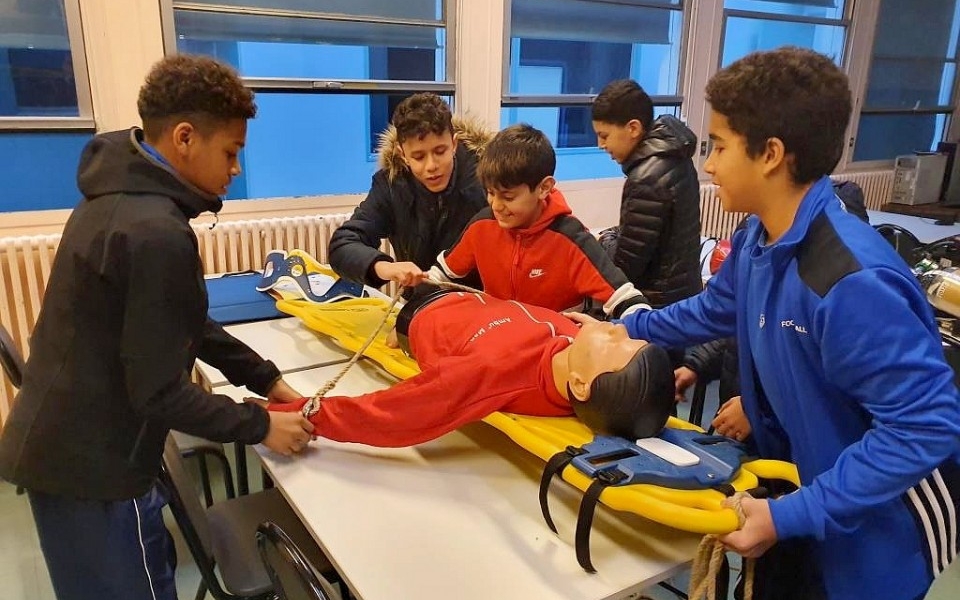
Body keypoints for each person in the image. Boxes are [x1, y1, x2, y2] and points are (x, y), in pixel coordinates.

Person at [572, 47, 960, 600]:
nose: (708, 164)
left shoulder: (850, 281)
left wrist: (794, 513)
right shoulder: (759, 238)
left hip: (871, 540)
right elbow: (713, 309)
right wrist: (629, 330)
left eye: (719, 146)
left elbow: (925, 429)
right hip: (796, 497)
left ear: (771, 154)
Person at [0, 55, 314, 600]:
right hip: (94, 471)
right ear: (185, 138)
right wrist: (260, 425)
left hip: (72, 452)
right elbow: (159, 393)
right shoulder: (154, 231)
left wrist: (266, 379)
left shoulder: (119, 197)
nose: (236, 169)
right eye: (231, 152)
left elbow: (183, 319)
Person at [268, 290, 675, 448]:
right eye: (629, 336)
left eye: (616, 345)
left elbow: (391, 413)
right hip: (461, 293)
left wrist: (289, 416)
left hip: (418, 313)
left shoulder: (493, 374)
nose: (619, 329)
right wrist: (585, 333)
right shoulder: (574, 345)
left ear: (581, 386)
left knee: (331, 301)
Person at [430, 124, 649, 319]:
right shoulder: (482, 225)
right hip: (499, 336)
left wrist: (642, 328)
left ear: (544, 188)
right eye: (490, 193)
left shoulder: (571, 238)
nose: (496, 205)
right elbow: (440, 274)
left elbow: (626, 299)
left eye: (508, 197)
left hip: (558, 343)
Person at [328, 93, 491, 291]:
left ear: (454, 144)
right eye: (418, 157)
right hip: (420, 301)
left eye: (440, 151)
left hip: (481, 300)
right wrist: (385, 268)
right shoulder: (391, 185)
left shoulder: (489, 180)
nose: (431, 166)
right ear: (402, 154)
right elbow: (343, 245)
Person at [591, 79, 702, 309]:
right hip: (684, 295)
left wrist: (604, 240)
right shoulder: (675, 156)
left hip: (658, 304)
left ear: (633, 128)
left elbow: (625, 267)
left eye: (604, 135)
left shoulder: (646, 178)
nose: (600, 144)